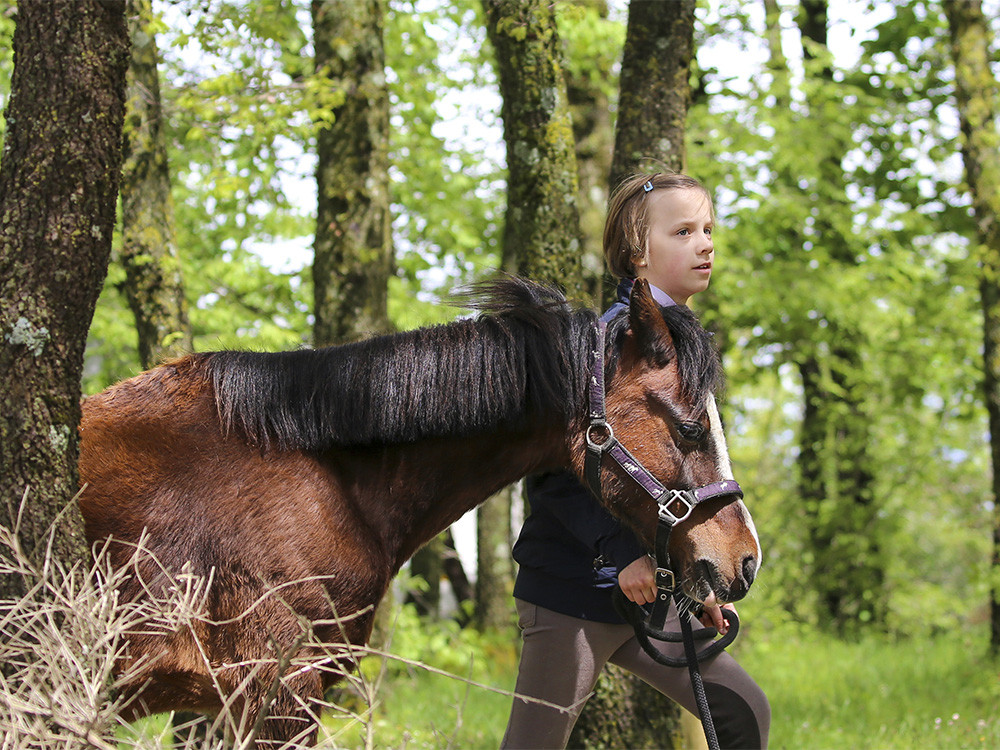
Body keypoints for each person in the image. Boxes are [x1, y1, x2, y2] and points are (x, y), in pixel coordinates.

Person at [500, 172, 770, 750]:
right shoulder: (609, 346)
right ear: (636, 254)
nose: (705, 244)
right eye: (683, 231)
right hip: (571, 594)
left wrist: (699, 576)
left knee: (744, 712)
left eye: (708, 230)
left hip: (653, 598)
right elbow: (558, 471)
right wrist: (622, 555)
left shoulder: (675, 340)